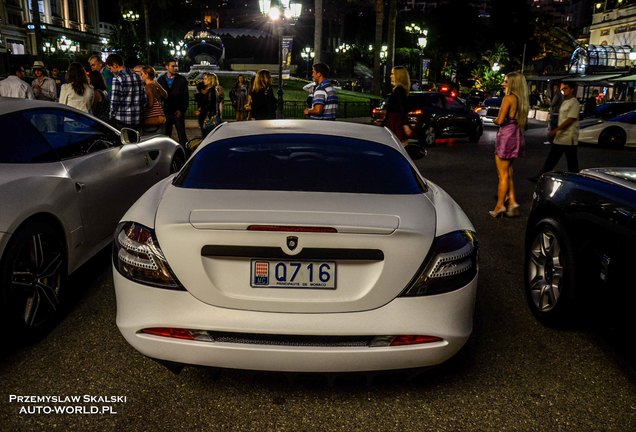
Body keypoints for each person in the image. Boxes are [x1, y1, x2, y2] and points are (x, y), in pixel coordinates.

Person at [489, 71, 529, 219]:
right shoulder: (522, 99)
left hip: (506, 136)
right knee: (509, 170)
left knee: (503, 174)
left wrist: (493, 120)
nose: (503, 83)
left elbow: (499, 121)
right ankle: (512, 201)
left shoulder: (508, 98)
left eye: (506, 81)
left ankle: (499, 206)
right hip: (516, 135)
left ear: (512, 84)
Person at [532, 81, 580, 180]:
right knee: (552, 159)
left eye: (566, 88)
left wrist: (556, 130)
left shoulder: (574, 102)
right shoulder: (565, 101)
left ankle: (576, 179)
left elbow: (570, 119)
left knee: (571, 162)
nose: (563, 90)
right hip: (561, 136)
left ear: (572, 89)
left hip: (569, 137)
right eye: (563, 89)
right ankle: (540, 176)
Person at [105, 53, 146, 130]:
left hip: (122, 121)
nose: (111, 71)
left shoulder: (117, 79)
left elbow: (114, 103)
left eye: (110, 68)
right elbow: (144, 99)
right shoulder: (138, 77)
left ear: (115, 65)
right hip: (137, 120)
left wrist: (111, 117)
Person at [157, 58, 189, 146]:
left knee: (182, 137)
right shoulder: (161, 80)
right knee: (166, 137)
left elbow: (185, 96)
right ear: (167, 67)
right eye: (173, 66)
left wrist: (181, 110)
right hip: (166, 112)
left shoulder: (182, 80)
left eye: (176, 66)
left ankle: (185, 154)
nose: (176, 68)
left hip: (177, 112)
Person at [385, 66, 413, 147]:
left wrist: (405, 124)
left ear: (399, 76)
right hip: (396, 121)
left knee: (399, 146)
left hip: (396, 122)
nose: (390, 76)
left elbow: (402, 107)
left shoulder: (399, 90)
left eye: (393, 74)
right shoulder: (399, 90)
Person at [140, 65, 168, 133]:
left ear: (146, 75)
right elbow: (165, 95)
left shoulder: (148, 87)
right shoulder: (156, 85)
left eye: (141, 74)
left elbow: (150, 104)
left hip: (152, 119)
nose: (140, 76)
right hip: (161, 117)